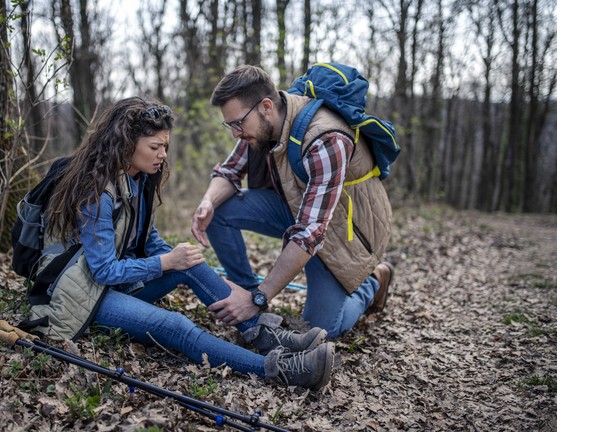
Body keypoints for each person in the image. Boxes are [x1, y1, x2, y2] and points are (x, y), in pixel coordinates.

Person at [27, 96, 335, 391]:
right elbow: (103, 271)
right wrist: (166, 262)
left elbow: (147, 239)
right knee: (175, 326)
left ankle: (262, 333)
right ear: (125, 144)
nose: (163, 154)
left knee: (190, 261)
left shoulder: (138, 177)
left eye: (165, 146)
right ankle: (280, 369)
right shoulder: (95, 192)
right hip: (80, 296)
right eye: (155, 146)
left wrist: (200, 271)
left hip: (113, 284)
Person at [191, 65, 395, 339]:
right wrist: (207, 201)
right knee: (218, 209)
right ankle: (246, 296)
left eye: (237, 123)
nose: (235, 133)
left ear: (265, 106)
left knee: (321, 330)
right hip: (299, 208)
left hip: (342, 229)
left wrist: (260, 298)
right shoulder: (259, 124)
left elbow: (310, 233)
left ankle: (374, 281)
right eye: (230, 125)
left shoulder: (326, 139)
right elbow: (229, 171)